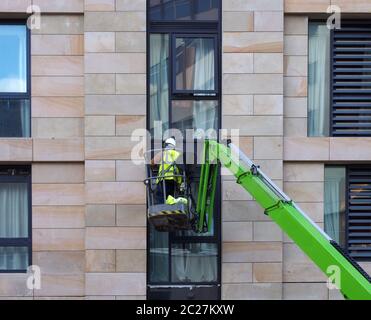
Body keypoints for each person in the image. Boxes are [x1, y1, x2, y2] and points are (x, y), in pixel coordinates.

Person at [151, 137, 183, 205]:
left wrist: (154, 166)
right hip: (174, 179)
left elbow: (153, 162)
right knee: (170, 196)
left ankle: (161, 208)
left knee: (159, 196)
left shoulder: (163, 153)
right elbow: (182, 168)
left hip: (164, 179)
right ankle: (172, 204)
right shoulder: (178, 154)